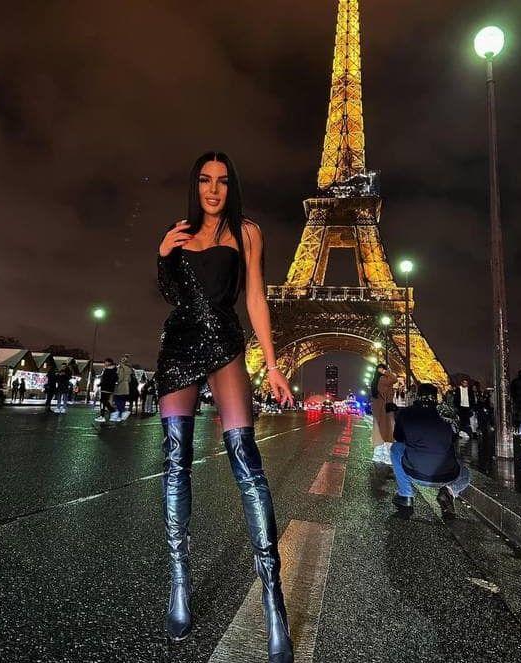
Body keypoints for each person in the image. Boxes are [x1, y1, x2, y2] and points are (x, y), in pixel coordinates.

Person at [155, 152, 294, 661]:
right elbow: (172, 294)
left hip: (225, 342)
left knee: (246, 460)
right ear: (195, 186)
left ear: (232, 186)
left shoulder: (248, 232)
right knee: (175, 463)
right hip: (179, 345)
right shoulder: (178, 233)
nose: (213, 189)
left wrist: (273, 365)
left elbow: (255, 298)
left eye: (222, 181)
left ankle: (273, 601)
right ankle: (179, 584)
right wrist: (163, 254)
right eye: (204, 180)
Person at [391, 383, 471, 519]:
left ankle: (406, 496)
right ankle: (449, 491)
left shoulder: (405, 413)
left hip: (414, 472)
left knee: (396, 448)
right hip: (446, 475)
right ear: (436, 397)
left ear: (417, 395)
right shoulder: (447, 415)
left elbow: (398, 437)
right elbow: (453, 439)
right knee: (466, 473)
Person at [370, 363, 397, 447]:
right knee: (386, 426)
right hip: (384, 406)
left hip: (378, 406)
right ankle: (384, 443)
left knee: (378, 425)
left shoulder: (375, 380)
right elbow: (394, 379)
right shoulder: (383, 379)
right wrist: (385, 372)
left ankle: (378, 443)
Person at [95, 358, 118, 423]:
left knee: (103, 401)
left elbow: (105, 379)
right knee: (104, 401)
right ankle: (105, 414)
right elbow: (114, 379)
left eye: (106, 362)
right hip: (108, 387)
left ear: (109, 362)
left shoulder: (108, 370)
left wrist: (100, 384)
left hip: (106, 387)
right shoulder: (114, 369)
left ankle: (109, 412)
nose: (105, 363)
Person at [113, 354, 132, 422]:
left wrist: (116, 382)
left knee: (117, 399)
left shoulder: (121, 368)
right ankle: (121, 415)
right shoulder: (129, 369)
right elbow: (129, 380)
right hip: (126, 386)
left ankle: (121, 413)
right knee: (123, 401)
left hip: (120, 386)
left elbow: (120, 377)